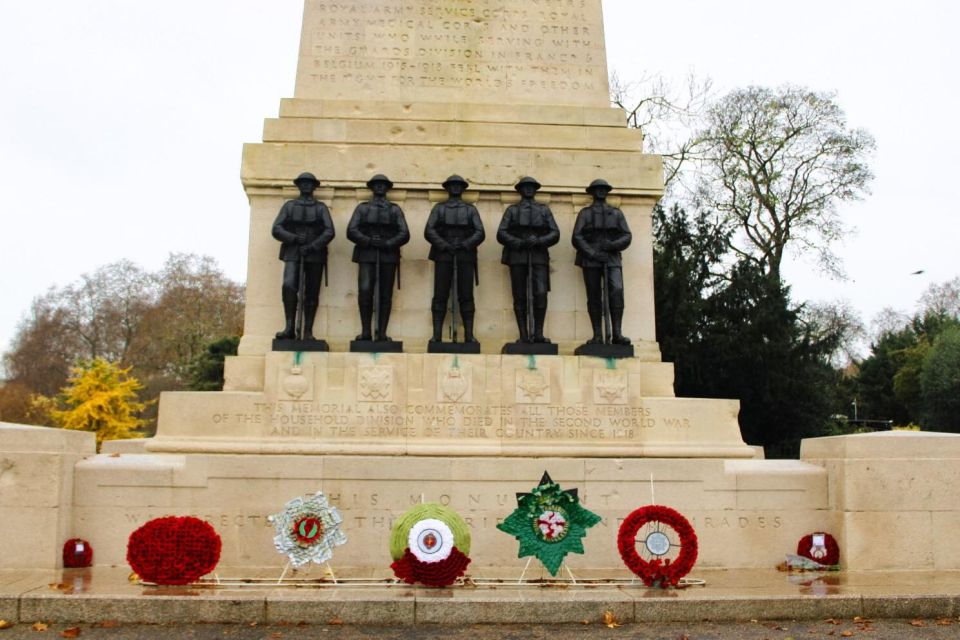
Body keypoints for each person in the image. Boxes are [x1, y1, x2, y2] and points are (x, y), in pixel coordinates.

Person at [271, 172, 335, 340]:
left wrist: (313, 246)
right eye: (303, 183)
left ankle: (307, 330)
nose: (306, 185)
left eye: (309, 183)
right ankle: (290, 327)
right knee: (289, 286)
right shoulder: (289, 206)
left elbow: (329, 231)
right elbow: (277, 228)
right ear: (298, 185)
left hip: (315, 253)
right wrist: (293, 238)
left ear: (314, 186)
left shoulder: (321, 207)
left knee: (312, 292)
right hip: (293, 251)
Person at [346, 174, 410, 341]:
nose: (380, 187)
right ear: (372, 187)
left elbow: (404, 233)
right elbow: (352, 230)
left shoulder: (395, 209)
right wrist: (367, 240)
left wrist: (387, 243)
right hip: (366, 254)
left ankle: (381, 332)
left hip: (388, 255)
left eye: (383, 184)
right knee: (365, 292)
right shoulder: (362, 208)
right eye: (377, 184)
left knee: (385, 295)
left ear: (388, 187)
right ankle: (366, 331)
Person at [496, 176, 560, 343]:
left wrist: (539, 241)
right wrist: (519, 242)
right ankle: (523, 334)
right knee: (519, 296)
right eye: (525, 186)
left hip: (538, 255)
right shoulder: (512, 210)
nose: (529, 189)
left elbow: (555, 233)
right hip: (517, 256)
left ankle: (538, 333)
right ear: (520, 190)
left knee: (540, 294)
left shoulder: (544, 210)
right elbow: (501, 233)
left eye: (532, 186)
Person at [424, 175, 485, 343]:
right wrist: (444, 244)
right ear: (447, 188)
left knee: (466, 295)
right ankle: (436, 335)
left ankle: (468, 335)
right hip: (443, 254)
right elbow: (429, 230)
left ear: (463, 188)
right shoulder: (439, 208)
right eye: (452, 185)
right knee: (440, 294)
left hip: (465, 254)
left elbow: (480, 232)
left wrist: (465, 244)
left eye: (459, 185)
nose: (456, 188)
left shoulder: (470, 209)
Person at [571, 179, 632, 345]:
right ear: (591, 192)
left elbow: (627, 235)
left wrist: (612, 245)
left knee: (617, 291)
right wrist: (592, 253)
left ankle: (617, 333)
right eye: (597, 189)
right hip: (590, 258)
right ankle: (597, 334)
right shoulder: (585, 213)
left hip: (611, 258)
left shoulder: (616, 213)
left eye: (603, 189)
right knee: (594, 296)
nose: (600, 192)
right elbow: (577, 236)